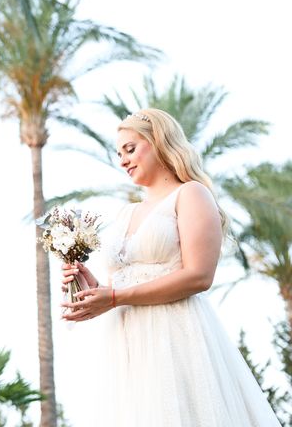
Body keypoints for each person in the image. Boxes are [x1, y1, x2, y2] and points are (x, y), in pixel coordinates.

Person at [61, 109, 280, 426]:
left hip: (174, 336)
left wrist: (114, 297)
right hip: (126, 344)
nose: (122, 160)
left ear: (159, 142)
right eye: (119, 153)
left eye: (130, 149)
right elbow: (119, 285)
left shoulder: (190, 194)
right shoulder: (126, 213)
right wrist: (90, 287)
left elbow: (199, 276)